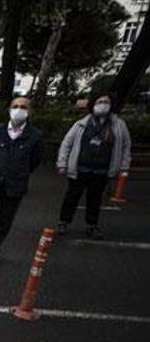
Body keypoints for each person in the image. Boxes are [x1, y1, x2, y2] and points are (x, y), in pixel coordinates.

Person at [0, 97, 44, 266]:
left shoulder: (35, 136)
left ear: (30, 111)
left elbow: (34, 161)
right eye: (15, 106)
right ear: (9, 109)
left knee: (4, 222)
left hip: (14, 187)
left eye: (23, 107)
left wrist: (17, 173)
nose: (19, 109)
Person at [56, 93, 132, 240]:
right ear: (93, 104)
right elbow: (67, 143)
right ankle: (63, 222)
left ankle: (92, 225)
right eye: (99, 101)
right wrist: (62, 163)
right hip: (80, 168)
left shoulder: (118, 125)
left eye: (106, 102)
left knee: (95, 199)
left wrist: (124, 167)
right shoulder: (81, 123)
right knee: (72, 196)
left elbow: (125, 146)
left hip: (102, 169)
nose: (103, 104)